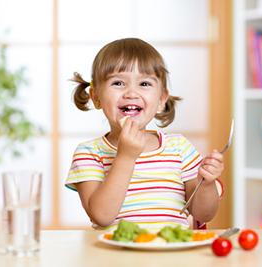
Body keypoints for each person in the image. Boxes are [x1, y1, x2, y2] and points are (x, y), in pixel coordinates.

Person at [65, 38, 224, 231]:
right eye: (118, 83)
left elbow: (203, 214)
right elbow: (101, 216)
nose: (131, 93)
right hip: (117, 257)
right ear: (96, 97)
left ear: (161, 100)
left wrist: (207, 184)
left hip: (170, 255)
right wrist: (126, 156)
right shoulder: (89, 153)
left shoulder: (179, 147)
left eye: (145, 84)